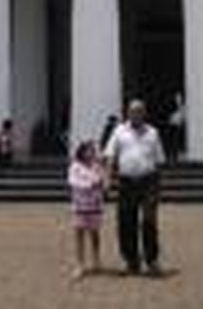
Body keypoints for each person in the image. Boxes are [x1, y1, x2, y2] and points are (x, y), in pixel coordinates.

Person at [103, 99, 166, 275]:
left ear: (144, 113)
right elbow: (110, 156)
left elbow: (159, 160)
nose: (136, 114)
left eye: (139, 111)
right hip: (126, 182)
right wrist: (107, 178)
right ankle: (131, 260)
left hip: (149, 181)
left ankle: (152, 260)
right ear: (127, 113)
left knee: (149, 221)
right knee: (126, 222)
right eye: (133, 111)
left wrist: (158, 185)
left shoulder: (153, 133)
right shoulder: (119, 131)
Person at [68, 140, 107, 279]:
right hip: (80, 206)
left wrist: (99, 182)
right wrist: (90, 184)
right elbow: (73, 182)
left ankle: (96, 261)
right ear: (81, 152)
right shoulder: (75, 166)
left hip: (95, 205)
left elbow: (102, 181)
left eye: (92, 151)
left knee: (95, 235)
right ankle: (79, 264)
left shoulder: (97, 166)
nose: (90, 153)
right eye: (88, 150)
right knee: (79, 235)